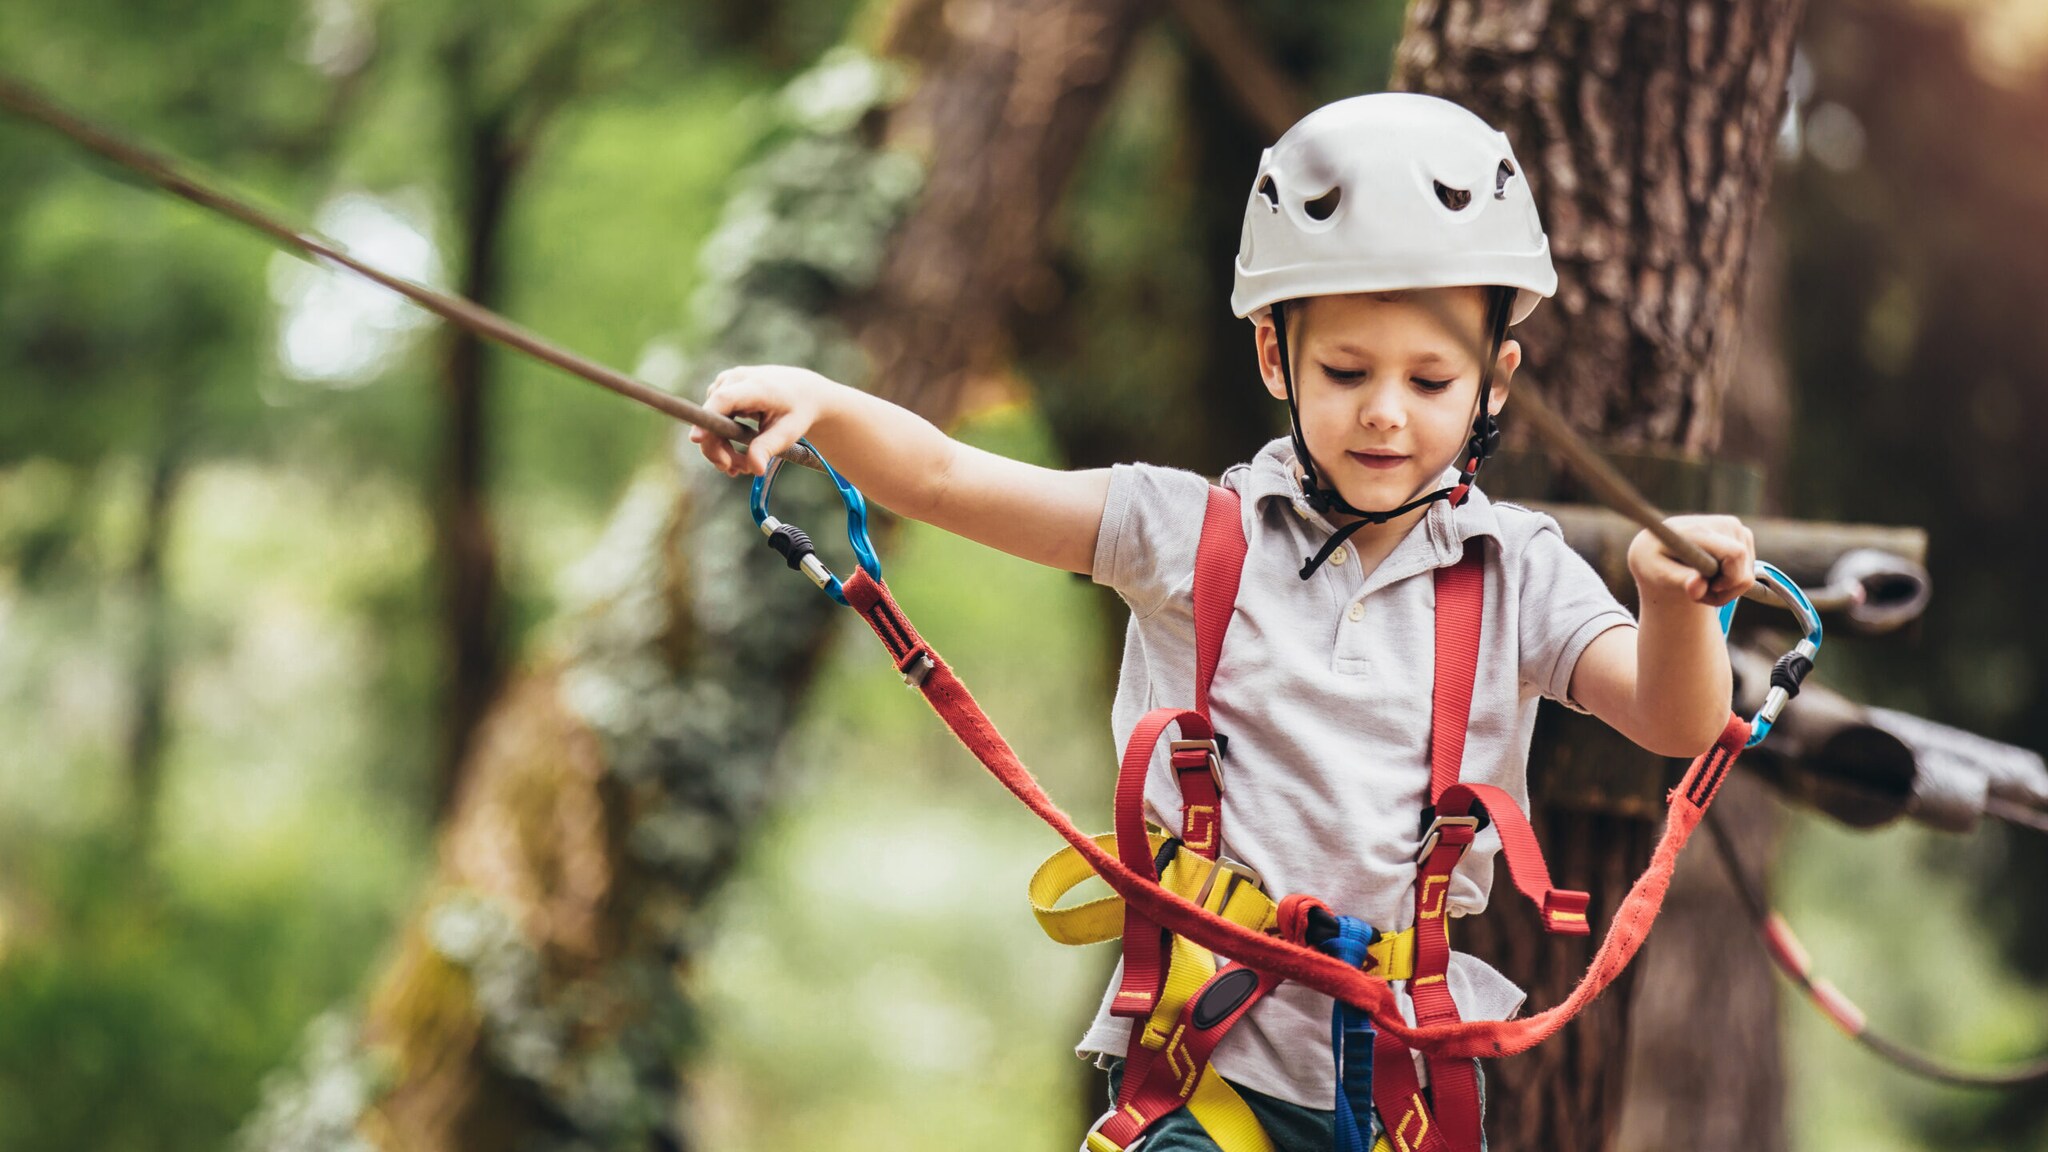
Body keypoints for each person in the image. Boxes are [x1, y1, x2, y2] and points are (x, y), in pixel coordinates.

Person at [689, 92, 1755, 1152]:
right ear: (1272, 358)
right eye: (1345, 372)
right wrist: (823, 405)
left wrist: (1670, 604)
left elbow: (1672, 719)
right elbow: (944, 473)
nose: (1385, 410)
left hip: (1397, 1083)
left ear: (1493, 384)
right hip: (1209, 1061)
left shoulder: (1512, 567)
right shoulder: (1182, 531)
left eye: (1430, 378)